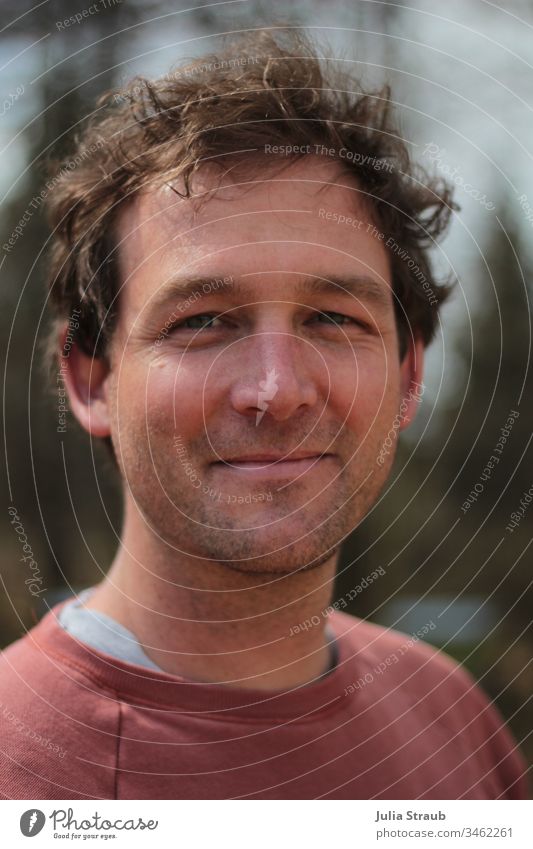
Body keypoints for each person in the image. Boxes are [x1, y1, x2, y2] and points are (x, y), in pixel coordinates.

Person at [0, 31, 528, 800]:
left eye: (332, 318)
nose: (276, 390)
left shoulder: (450, 716)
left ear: (408, 376)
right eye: (202, 321)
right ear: (91, 381)